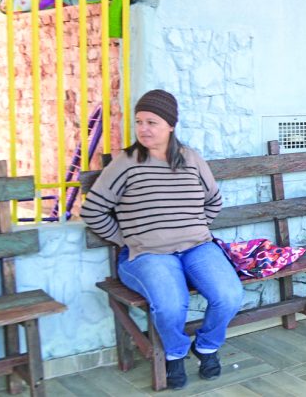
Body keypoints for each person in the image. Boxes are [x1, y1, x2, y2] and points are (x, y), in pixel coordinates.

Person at [80, 90, 243, 390]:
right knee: (170, 305)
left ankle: (206, 346)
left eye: (151, 122)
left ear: (170, 125)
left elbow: (214, 201)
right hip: (148, 255)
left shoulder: (191, 158)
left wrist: (193, 228)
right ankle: (175, 353)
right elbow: (93, 210)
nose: (143, 129)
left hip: (197, 248)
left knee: (230, 295)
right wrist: (125, 239)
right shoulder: (126, 163)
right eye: (139, 122)